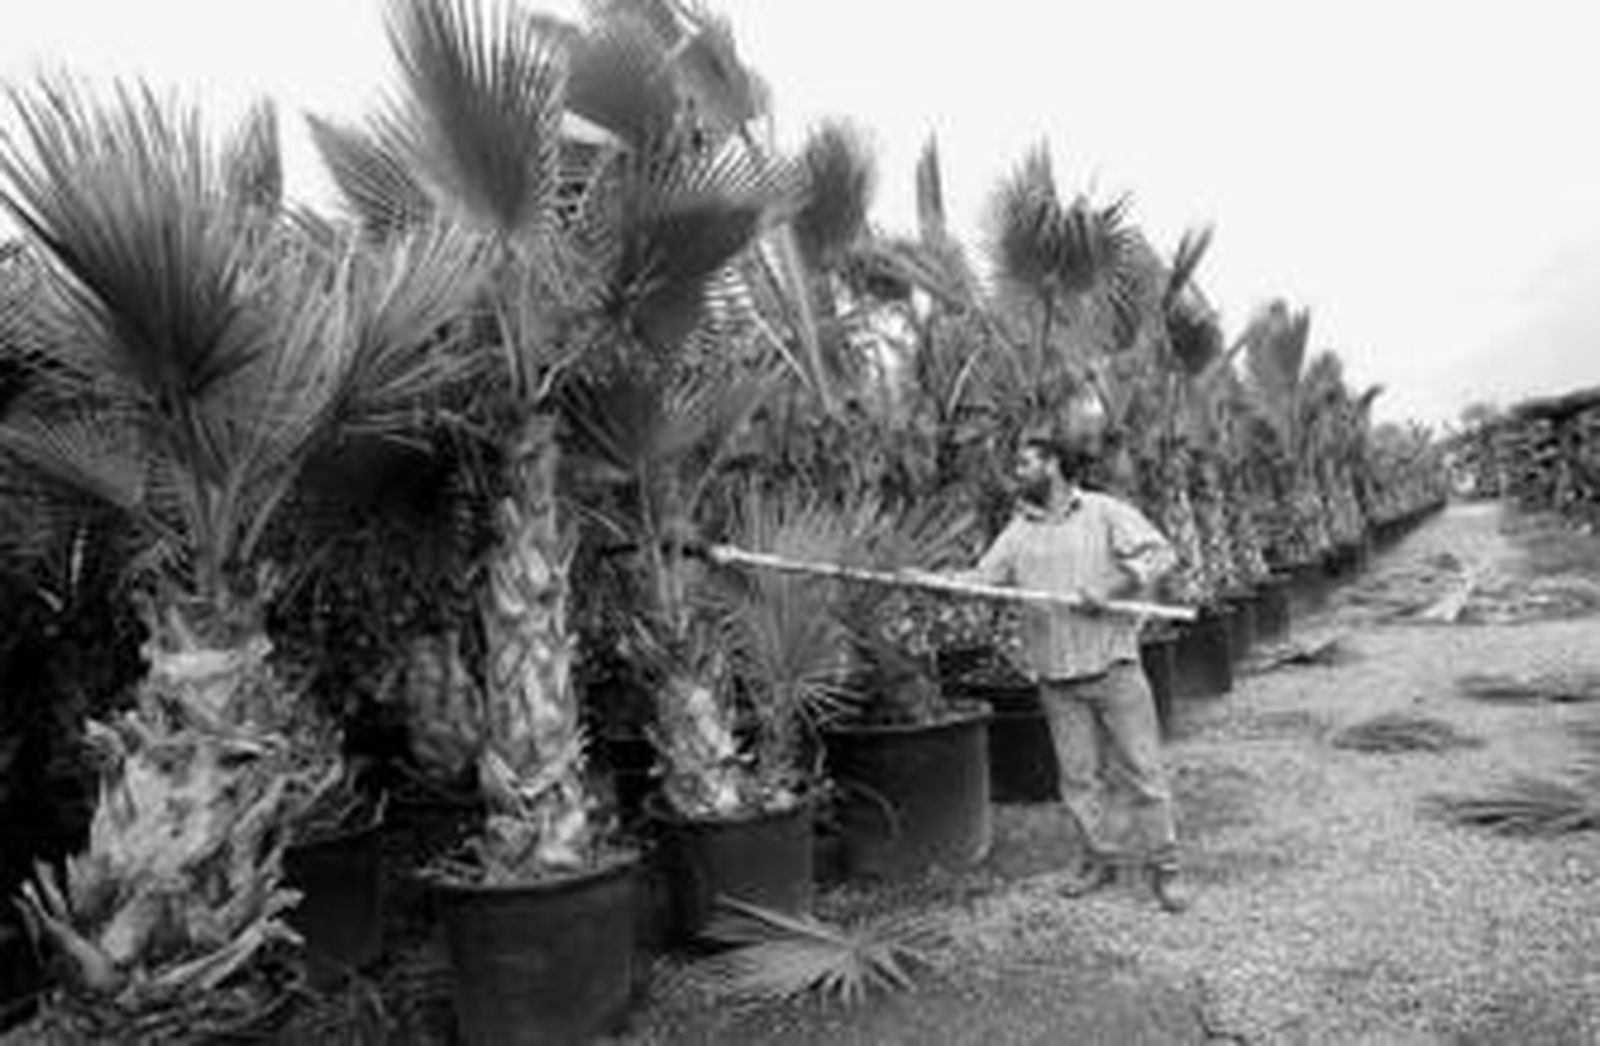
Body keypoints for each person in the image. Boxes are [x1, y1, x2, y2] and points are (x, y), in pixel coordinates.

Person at [944, 430, 1191, 914]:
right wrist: (936, 582)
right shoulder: (1018, 530)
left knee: (1144, 772)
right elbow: (983, 578)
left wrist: (1114, 583)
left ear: (1053, 465)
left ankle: (1166, 868)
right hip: (1057, 677)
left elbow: (1161, 553)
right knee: (1079, 780)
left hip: (1113, 665)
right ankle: (1100, 860)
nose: (1017, 472)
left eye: (1025, 463)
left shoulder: (1103, 511)